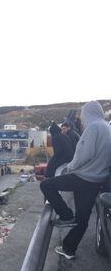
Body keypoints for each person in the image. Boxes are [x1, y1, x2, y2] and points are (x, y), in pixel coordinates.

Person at [40, 101, 111, 259]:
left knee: (46, 185)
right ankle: (68, 249)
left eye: (83, 113)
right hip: (96, 181)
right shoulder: (107, 127)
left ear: (88, 113)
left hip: (82, 177)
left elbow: (83, 155)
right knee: (83, 218)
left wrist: (68, 168)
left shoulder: (93, 128)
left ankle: (65, 215)